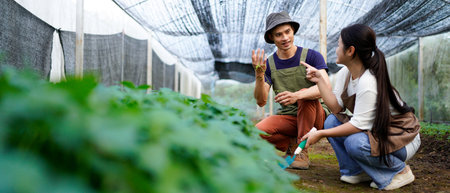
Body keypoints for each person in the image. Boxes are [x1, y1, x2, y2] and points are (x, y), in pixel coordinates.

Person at [301, 24, 421, 190]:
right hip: (378, 131)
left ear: (350, 51)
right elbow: (336, 108)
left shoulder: (368, 81)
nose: (336, 50)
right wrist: (319, 80)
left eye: (338, 45)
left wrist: (320, 133)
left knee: (355, 143)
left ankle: (399, 171)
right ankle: (356, 171)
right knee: (331, 121)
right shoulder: (346, 73)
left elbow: (358, 125)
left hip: (401, 136)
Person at [252, 11, 331, 170]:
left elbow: (326, 88)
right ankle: (294, 145)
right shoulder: (270, 64)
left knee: (305, 96)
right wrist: (259, 74)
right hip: (290, 117)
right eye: (278, 34)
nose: (285, 38)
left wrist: (297, 95)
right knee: (256, 133)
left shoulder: (312, 56)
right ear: (271, 38)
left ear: (293, 31)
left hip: (316, 116)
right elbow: (261, 101)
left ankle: (302, 153)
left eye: (287, 32)